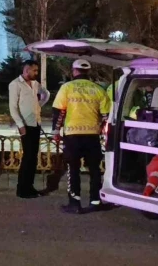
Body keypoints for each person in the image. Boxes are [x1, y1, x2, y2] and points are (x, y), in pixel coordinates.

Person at [52, 59, 111, 214]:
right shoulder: (98, 89)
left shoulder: (67, 88)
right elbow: (106, 116)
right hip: (92, 135)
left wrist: (56, 132)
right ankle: (95, 201)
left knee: (73, 169)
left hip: (73, 136)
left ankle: (75, 203)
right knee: (95, 169)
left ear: (74, 71)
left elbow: (59, 112)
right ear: (88, 71)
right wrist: (105, 133)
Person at [8, 60, 50, 198]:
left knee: (32, 157)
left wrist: (38, 106)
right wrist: (20, 125)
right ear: (26, 70)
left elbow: (46, 94)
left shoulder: (35, 84)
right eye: (34, 70)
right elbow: (13, 107)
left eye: (37, 70)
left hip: (36, 123)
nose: (36, 73)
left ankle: (29, 187)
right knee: (27, 157)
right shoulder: (15, 84)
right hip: (25, 125)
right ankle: (22, 189)